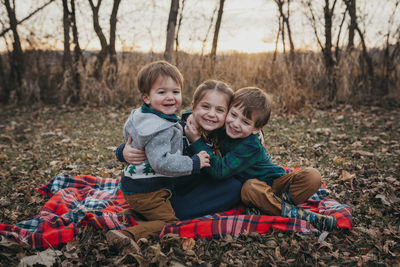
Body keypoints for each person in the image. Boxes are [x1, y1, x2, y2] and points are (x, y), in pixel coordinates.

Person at [185, 87, 337, 231]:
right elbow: (203, 112)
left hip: (275, 183)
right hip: (254, 189)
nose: (235, 124)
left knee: (313, 176)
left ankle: (273, 206)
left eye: (245, 122)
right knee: (249, 188)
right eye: (233, 115)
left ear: (256, 129)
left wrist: (197, 142)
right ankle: (289, 211)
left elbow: (219, 171)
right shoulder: (223, 126)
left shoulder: (251, 146)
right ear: (228, 110)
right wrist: (190, 115)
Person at [116, 79, 242, 223]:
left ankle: (158, 214)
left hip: (194, 187)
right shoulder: (177, 128)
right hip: (166, 188)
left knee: (234, 187)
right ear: (193, 107)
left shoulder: (224, 133)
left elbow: (246, 125)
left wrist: (258, 134)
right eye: (205, 107)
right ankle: (166, 215)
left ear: (228, 114)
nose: (211, 114)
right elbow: (142, 140)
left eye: (220, 110)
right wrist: (123, 152)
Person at [115, 60, 211, 241]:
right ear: (146, 97)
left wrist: (121, 151)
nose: (170, 97)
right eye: (162, 92)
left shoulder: (142, 116)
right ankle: (127, 235)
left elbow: (133, 140)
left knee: (153, 209)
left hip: (133, 185)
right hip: (148, 191)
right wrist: (194, 163)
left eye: (176, 92)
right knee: (169, 224)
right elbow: (162, 162)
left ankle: (133, 215)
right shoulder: (159, 128)